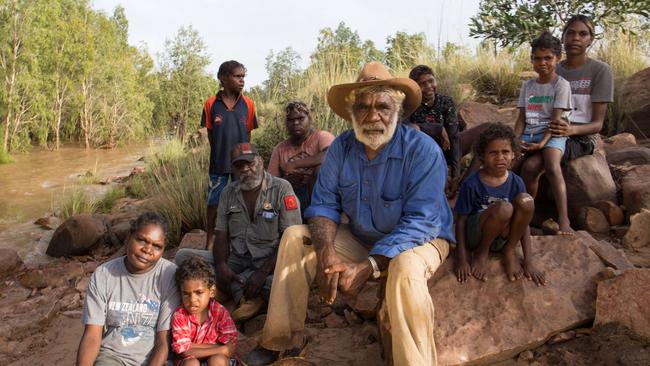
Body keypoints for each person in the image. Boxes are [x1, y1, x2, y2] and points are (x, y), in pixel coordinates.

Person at [244, 61, 454, 366]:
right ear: (352, 112)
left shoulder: (423, 150)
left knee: (405, 268)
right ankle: (280, 339)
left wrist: (368, 265)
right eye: (363, 107)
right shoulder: (341, 148)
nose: (372, 116)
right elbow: (324, 205)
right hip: (362, 236)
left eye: (382, 106)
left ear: (397, 110)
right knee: (294, 238)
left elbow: (421, 222)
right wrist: (326, 252)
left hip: (422, 239)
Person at [175, 143, 302, 323]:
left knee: (282, 284)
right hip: (236, 259)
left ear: (260, 161)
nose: (245, 169)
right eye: (239, 165)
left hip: (270, 262)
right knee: (182, 257)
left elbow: (292, 239)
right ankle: (241, 292)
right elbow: (221, 235)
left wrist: (261, 273)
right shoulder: (228, 193)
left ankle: (234, 291)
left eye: (250, 163)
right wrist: (221, 265)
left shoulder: (281, 189)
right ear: (233, 169)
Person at [520, 15, 613, 201]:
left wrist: (571, 129)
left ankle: (526, 217)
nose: (576, 38)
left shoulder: (600, 71)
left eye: (583, 34)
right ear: (563, 37)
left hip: (580, 136)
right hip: (546, 129)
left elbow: (597, 125)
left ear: (590, 39)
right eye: (570, 33)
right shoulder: (552, 68)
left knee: (532, 165)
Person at [77, 212, 180, 366]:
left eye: (157, 246)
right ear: (128, 238)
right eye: (141, 240)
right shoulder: (104, 275)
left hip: (155, 359)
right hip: (113, 357)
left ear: (163, 251)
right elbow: (92, 335)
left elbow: (163, 342)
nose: (148, 250)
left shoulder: (169, 275)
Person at [455, 123, 546, 285]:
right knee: (505, 208)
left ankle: (509, 251)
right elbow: (461, 221)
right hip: (478, 236)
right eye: (493, 153)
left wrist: (529, 261)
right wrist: (462, 259)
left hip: (503, 237)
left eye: (505, 152)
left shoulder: (516, 182)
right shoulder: (472, 183)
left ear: (514, 155)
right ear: (482, 155)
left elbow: (524, 223)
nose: (500, 157)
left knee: (526, 201)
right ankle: (482, 252)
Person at [514, 31, 573, 235]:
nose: (543, 63)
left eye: (548, 58)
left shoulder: (561, 85)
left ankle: (564, 218)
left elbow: (556, 120)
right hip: (530, 133)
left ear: (558, 58)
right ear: (532, 60)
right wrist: (515, 142)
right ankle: (525, 218)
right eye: (537, 58)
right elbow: (521, 118)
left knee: (551, 164)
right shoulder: (528, 86)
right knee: (520, 166)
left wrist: (541, 144)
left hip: (552, 133)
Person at [202, 60, 258, 251]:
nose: (242, 80)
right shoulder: (210, 104)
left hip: (241, 165)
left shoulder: (248, 104)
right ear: (223, 78)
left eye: (243, 76)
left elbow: (248, 134)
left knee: (242, 202)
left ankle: (241, 242)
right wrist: (219, 154)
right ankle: (209, 242)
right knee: (213, 204)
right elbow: (210, 133)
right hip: (217, 165)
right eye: (237, 76)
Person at [268, 101, 335, 214]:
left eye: (301, 118)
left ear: (309, 119)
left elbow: (330, 155)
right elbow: (270, 181)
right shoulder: (280, 148)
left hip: (321, 195)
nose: (296, 123)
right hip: (292, 195)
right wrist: (286, 182)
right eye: (291, 120)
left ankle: (318, 212)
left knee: (321, 169)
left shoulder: (321, 136)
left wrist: (294, 164)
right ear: (286, 123)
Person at [171, 256, 237, 366]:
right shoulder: (180, 315)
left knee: (217, 360)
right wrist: (220, 348)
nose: (192, 300)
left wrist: (192, 346)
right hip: (188, 361)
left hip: (218, 360)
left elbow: (230, 347)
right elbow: (184, 352)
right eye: (186, 294)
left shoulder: (220, 312)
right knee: (191, 363)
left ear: (211, 291)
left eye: (199, 292)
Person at [408, 65, 461, 196]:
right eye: (422, 83)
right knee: (414, 129)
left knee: (484, 131)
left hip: (448, 149)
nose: (428, 86)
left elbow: (454, 136)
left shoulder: (445, 101)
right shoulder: (410, 104)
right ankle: (439, 180)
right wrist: (437, 128)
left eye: (431, 81)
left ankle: (461, 181)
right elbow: (408, 131)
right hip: (425, 154)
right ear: (415, 87)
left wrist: (456, 174)